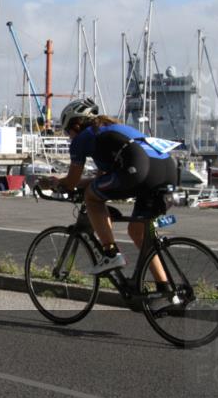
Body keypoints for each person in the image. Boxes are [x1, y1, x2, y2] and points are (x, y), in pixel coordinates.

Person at [39, 98, 178, 277]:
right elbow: (102, 180)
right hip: (166, 170)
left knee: (91, 197)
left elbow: (72, 182)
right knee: (138, 232)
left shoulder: (84, 136)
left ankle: (110, 253)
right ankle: (165, 288)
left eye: (67, 132)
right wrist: (73, 184)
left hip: (139, 169)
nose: (69, 136)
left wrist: (53, 183)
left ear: (76, 125)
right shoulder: (111, 134)